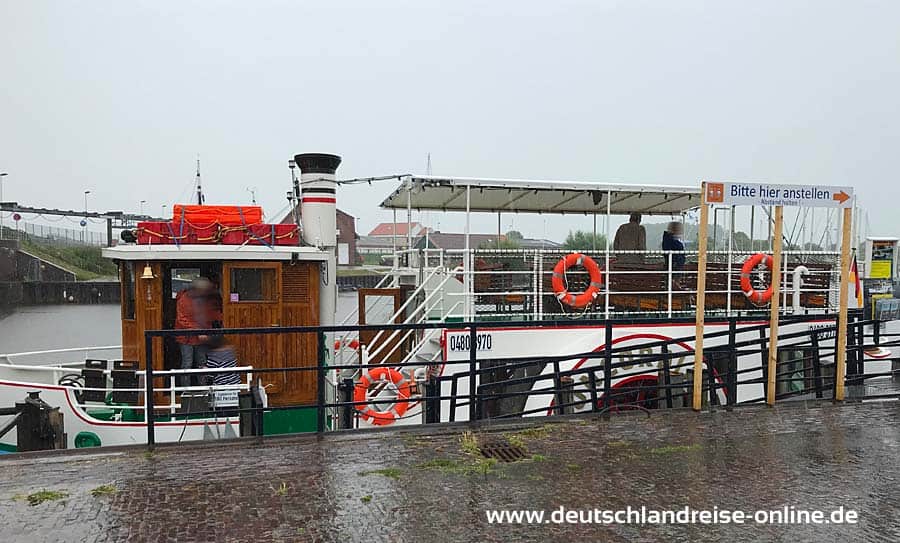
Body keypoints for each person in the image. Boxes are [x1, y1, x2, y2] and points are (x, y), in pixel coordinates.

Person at [175, 277, 216, 388]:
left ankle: (203, 389)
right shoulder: (183, 299)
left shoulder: (203, 299)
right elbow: (182, 319)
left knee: (202, 363)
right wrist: (199, 331)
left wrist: (207, 331)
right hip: (186, 338)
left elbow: (207, 316)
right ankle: (186, 391)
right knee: (187, 364)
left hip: (200, 337)